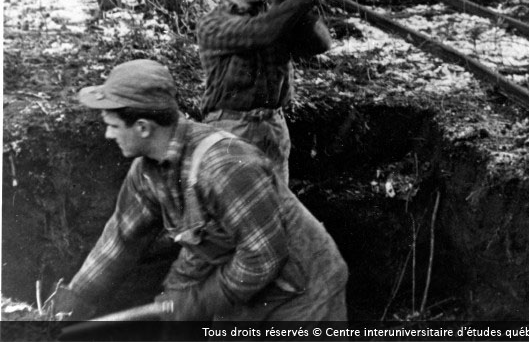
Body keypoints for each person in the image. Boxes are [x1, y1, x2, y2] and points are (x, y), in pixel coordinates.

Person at [45, 59, 348, 322]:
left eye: (112, 125)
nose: (108, 134)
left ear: (142, 127)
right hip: (243, 281)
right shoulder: (148, 172)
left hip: (304, 290)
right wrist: (74, 304)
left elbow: (263, 258)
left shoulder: (225, 167)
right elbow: (121, 241)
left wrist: (194, 304)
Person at [197, 0, 354, 184]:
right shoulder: (212, 25)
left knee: (279, 208)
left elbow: (320, 44)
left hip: (273, 126)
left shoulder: (275, 16)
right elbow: (262, 32)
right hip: (233, 130)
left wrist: (287, 0)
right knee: (242, 208)